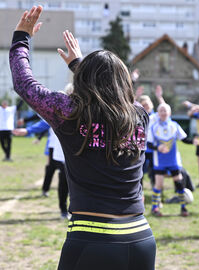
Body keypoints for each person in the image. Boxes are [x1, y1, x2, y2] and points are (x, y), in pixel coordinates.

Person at [10, 6, 155, 270]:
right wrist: (80, 66)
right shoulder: (140, 116)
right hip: (141, 238)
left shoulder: (70, 112)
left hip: (91, 238)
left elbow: (24, 84)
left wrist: (21, 37)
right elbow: (110, 102)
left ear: (84, 81)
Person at [13, 120, 69, 219]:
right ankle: (63, 209)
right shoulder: (60, 109)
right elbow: (45, 121)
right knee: (59, 177)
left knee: (75, 183)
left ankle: (76, 209)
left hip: (80, 154)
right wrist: (28, 130)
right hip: (60, 151)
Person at [147, 103, 190, 217]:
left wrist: (194, 141)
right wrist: (158, 147)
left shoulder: (174, 125)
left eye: (165, 110)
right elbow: (149, 144)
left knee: (179, 183)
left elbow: (184, 139)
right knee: (159, 184)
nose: (163, 113)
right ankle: (154, 208)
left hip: (173, 160)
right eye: (161, 111)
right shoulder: (153, 127)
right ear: (157, 113)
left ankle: (183, 207)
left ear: (169, 113)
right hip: (159, 161)